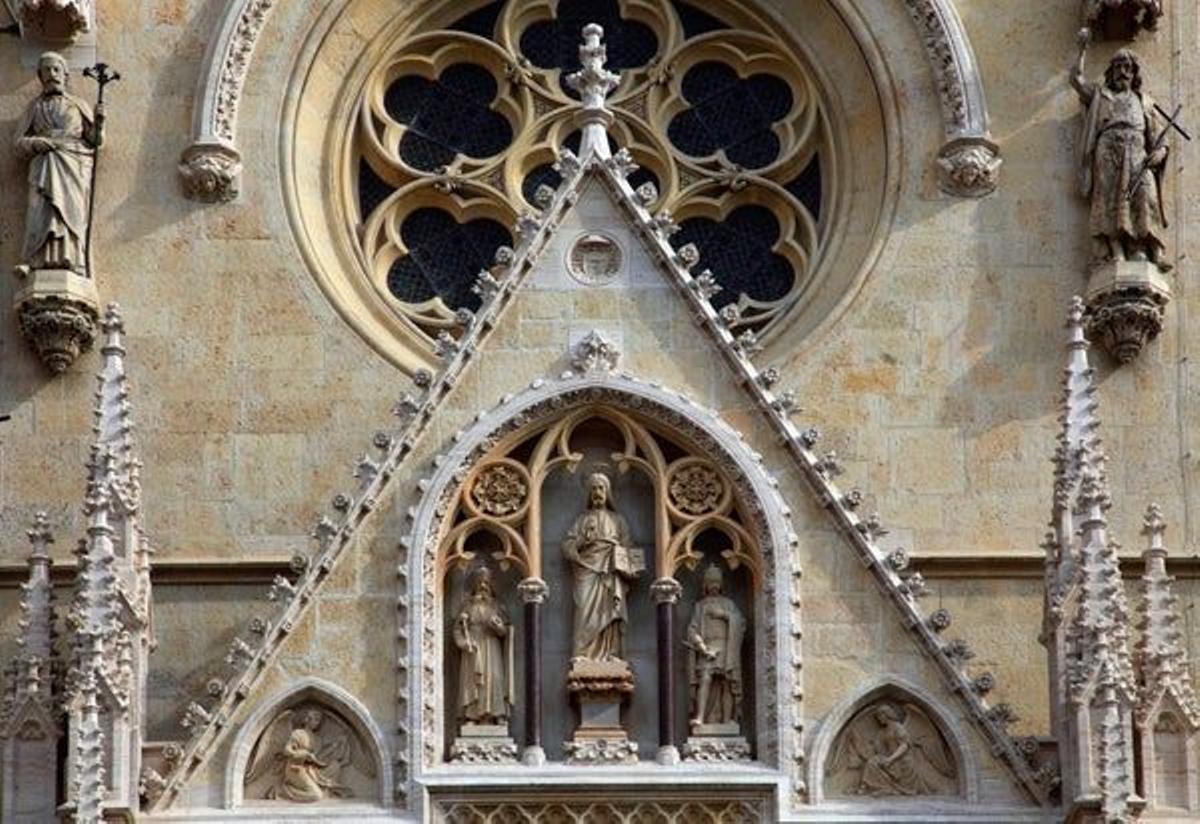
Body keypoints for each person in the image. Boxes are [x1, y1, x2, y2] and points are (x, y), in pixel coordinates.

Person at [1071, 31, 1170, 272]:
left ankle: (1142, 248)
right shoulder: (1100, 95)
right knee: (1108, 199)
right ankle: (1113, 249)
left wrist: (1161, 153)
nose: (1122, 71)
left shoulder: (1144, 100)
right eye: (1117, 67)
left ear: (1134, 73)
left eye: (1127, 67)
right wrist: (1082, 48)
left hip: (1137, 151)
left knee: (1144, 195)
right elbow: (1076, 79)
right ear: (1111, 71)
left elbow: (1158, 137)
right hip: (1108, 151)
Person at [14, 52, 103, 277]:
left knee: (71, 211)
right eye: (47, 70)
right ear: (40, 76)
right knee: (39, 212)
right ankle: (34, 258)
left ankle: (74, 259)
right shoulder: (34, 108)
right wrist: (36, 143)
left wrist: (99, 122)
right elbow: (18, 144)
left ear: (65, 74)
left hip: (73, 163)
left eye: (56, 70)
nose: (52, 75)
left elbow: (95, 141)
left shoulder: (78, 105)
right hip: (43, 163)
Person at [562, 472, 641, 661]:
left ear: (607, 491)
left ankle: (612, 653)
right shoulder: (582, 520)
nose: (597, 492)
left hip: (611, 569)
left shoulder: (618, 520)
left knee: (610, 610)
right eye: (594, 488)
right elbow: (568, 546)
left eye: (601, 488)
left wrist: (624, 559)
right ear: (589, 493)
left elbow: (628, 545)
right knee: (584, 609)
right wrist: (582, 540)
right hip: (587, 568)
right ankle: (582, 653)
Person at [685, 564, 745, 728]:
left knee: (726, 682)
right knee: (705, 679)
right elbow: (692, 628)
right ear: (705, 584)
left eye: (716, 581)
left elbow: (740, 623)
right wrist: (701, 646)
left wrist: (724, 615)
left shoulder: (728, 604)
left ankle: (727, 720)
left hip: (726, 647)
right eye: (710, 581)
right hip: (707, 647)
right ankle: (700, 717)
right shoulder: (700, 605)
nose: (714, 585)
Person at [452, 567, 511, 724]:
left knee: (494, 679)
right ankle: (472, 715)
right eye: (480, 583)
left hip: (491, 646)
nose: (483, 586)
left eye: (486, 582)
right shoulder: (468, 606)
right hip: (474, 647)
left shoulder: (496, 606)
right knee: (473, 681)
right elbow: (458, 629)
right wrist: (464, 643)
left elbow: (505, 631)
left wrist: (498, 626)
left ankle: (496, 714)